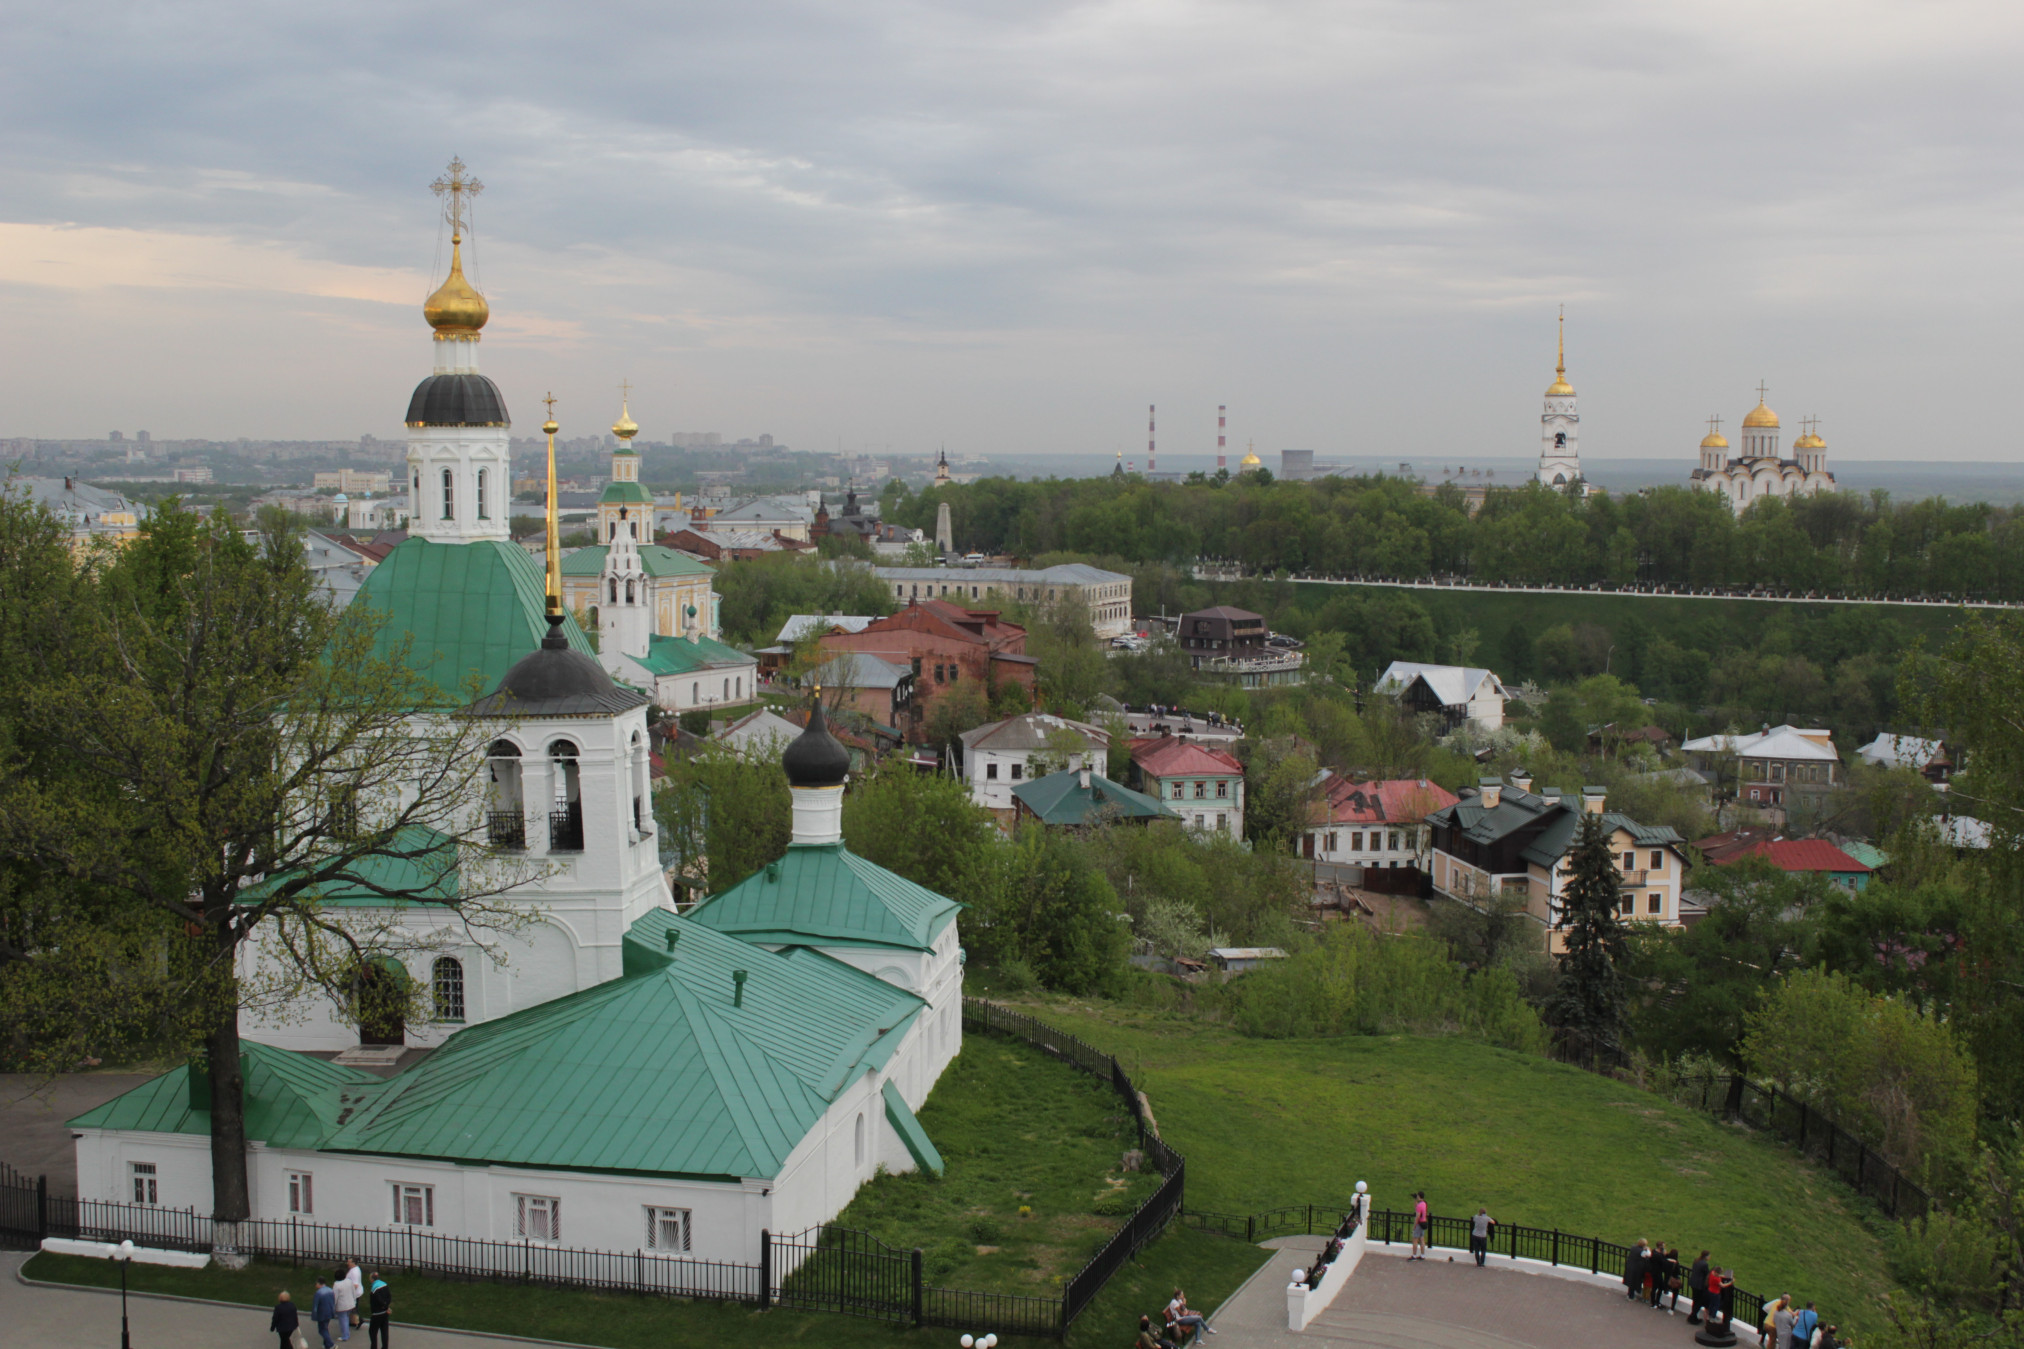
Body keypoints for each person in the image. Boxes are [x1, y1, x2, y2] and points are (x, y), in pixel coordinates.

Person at [334, 1260, 361, 1342]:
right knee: (346, 1319)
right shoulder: (349, 1281)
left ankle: (345, 1335)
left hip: (342, 1306)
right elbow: (353, 1291)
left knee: (343, 1320)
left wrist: (333, 1306)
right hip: (350, 1304)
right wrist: (354, 1301)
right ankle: (346, 1334)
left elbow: (335, 1297)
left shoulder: (336, 1284)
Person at [367, 1272, 392, 1349]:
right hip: (385, 1314)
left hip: (377, 1314)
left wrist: (384, 1306)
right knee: (384, 1332)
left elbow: (378, 1300)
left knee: (372, 1332)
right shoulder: (384, 1284)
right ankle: (385, 1347)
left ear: (372, 1279)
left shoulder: (374, 1289)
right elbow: (389, 1297)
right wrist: (387, 1307)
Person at [311, 1277, 338, 1349]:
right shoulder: (330, 1290)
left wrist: (314, 1317)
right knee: (325, 1328)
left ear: (319, 1283)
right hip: (329, 1312)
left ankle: (331, 1344)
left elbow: (315, 1306)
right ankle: (326, 1345)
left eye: (316, 1283)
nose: (315, 1285)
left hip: (322, 1314)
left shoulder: (318, 1293)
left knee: (322, 1330)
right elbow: (333, 1302)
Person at [1686, 1250, 1711, 1324]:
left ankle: (1693, 1316)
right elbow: (1707, 1274)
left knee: (1695, 1300)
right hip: (1699, 1285)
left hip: (1693, 1283)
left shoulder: (1696, 1261)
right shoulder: (1704, 1264)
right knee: (1699, 1302)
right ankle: (1692, 1316)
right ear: (1706, 1256)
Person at [1411, 1193, 1429, 1260]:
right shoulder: (1424, 1203)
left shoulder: (1419, 1205)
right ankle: (1422, 1255)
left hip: (1419, 1224)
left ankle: (1414, 1255)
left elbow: (1417, 1216)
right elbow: (1417, 1207)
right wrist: (1415, 1200)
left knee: (1415, 1240)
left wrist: (1414, 1226)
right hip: (1423, 1223)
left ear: (1419, 1196)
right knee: (1422, 1239)